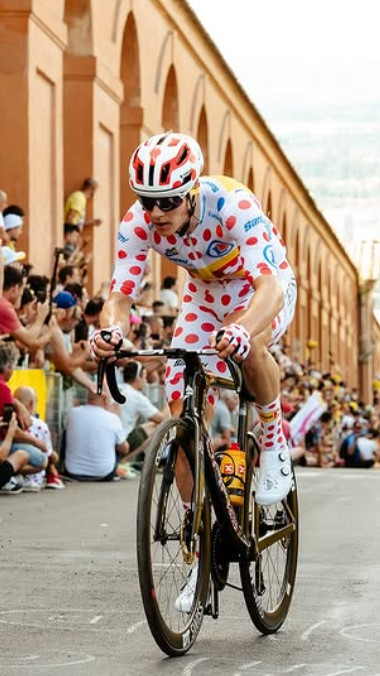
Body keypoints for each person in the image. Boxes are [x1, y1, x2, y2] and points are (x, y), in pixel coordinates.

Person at [91, 132, 297, 508]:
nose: (156, 214)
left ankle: (272, 441)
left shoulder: (233, 205)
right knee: (184, 418)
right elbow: (120, 297)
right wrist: (111, 331)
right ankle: (195, 535)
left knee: (249, 346)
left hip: (259, 288)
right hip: (203, 295)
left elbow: (269, 288)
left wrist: (241, 328)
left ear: (192, 191)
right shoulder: (139, 223)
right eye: (147, 201)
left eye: (168, 202)